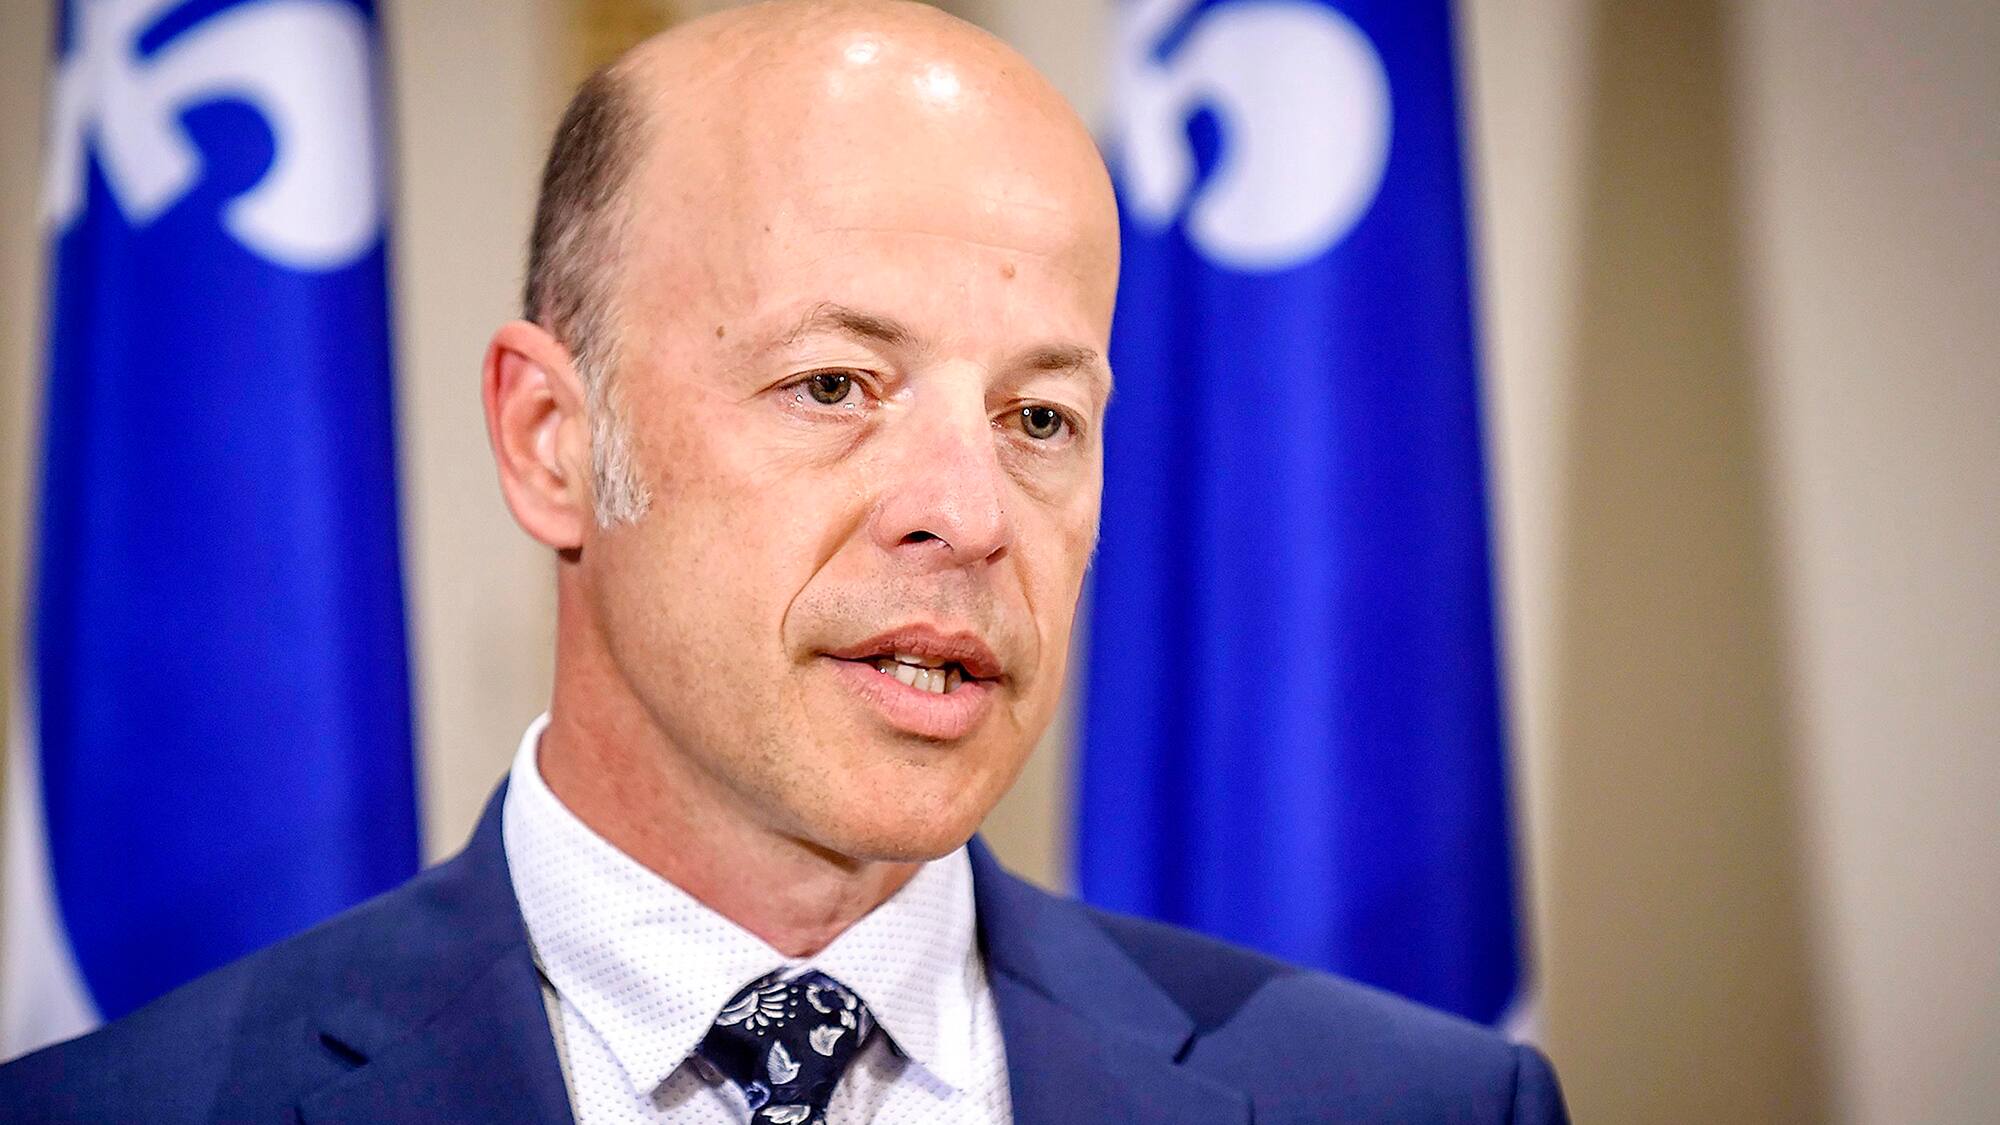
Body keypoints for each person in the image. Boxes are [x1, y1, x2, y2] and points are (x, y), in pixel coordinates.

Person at [0, 2, 1567, 1121]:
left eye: (1041, 414)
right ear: (552, 440)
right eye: (835, 383)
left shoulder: (1421, 1105)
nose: (969, 513)